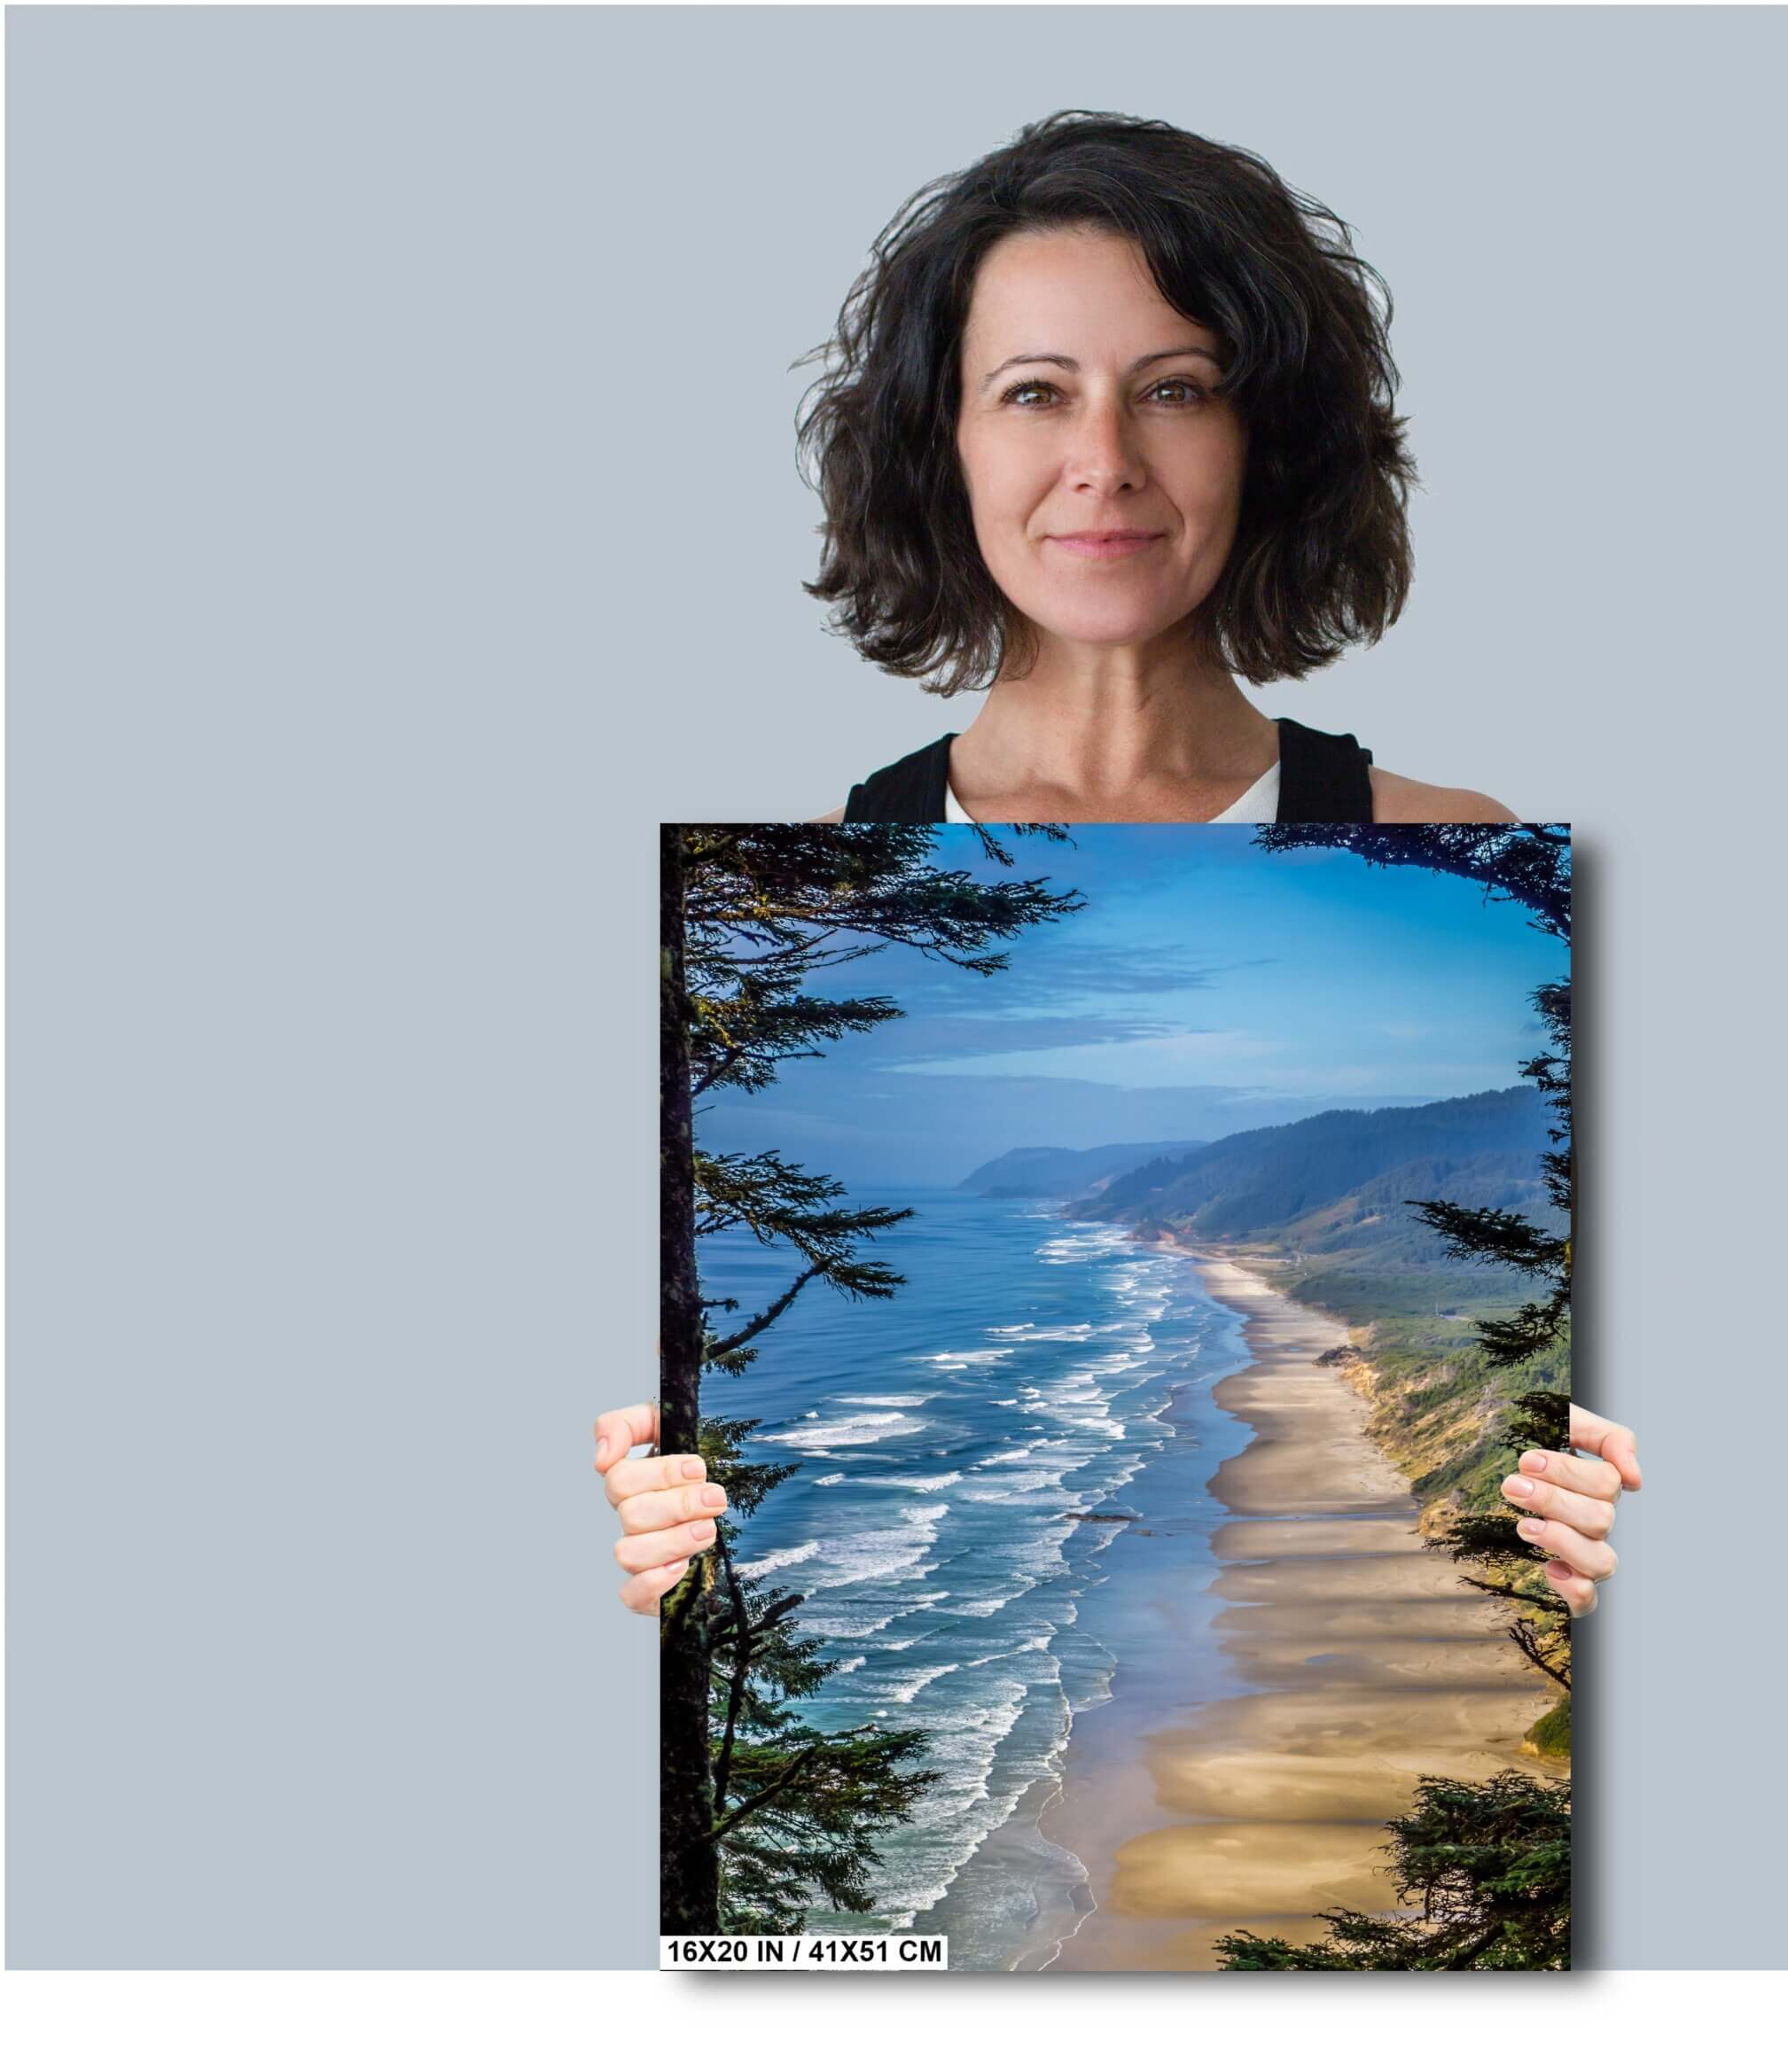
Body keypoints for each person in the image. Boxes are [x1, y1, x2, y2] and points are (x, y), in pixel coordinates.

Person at [604, 110, 1642, 1615]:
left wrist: (1601, 1533)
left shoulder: (1459, 829)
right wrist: (666, 1556)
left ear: (1266, 437)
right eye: (1035, 392)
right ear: (945, 444)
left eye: (1176, 389)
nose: (1103, 462)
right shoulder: (787, 890)